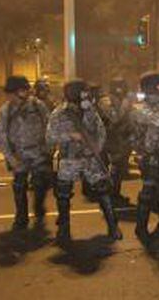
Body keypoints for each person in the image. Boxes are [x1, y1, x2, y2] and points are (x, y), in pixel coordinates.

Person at [46, 80, 122, 245]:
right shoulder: (59, 113)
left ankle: (113, 226)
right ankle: (63, 230)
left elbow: (101, 131)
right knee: (63, 195)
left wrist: (96, 148)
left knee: (103, 191)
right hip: (69, 160)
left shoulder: (90, 111)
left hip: (90, 159)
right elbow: (50, 137)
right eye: (83, 92)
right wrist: (70, 136)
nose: (86, 96)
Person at [129, 72, 159, 249]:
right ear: (151, 88)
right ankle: (141, 229)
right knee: (147, 195)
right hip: (151, 158)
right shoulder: (140, 108)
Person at [0, 75, 53, 230]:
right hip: (18, 155)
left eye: (23, 90)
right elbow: (2, 137)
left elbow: (49, 127)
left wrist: (48, 149)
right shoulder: (5, 111)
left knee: (40, 184)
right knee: (19, 186)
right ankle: (21, 217)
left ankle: (39, 208)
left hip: (38, 153)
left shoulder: (38, 106)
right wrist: (11, 158)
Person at [96, 78, 133, 207]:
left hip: (121, 139)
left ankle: (115, 194)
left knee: (120, 169)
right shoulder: (106, 101)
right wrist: (125, 104)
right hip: (111, 139)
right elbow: (115, 118)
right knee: (114, 169)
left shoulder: (122, 100)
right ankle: (111, 196)